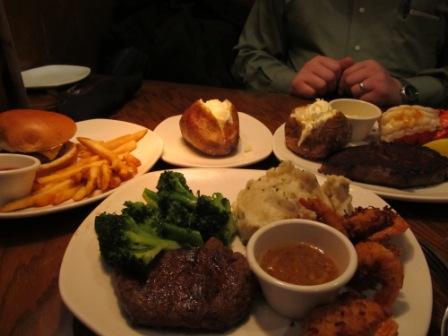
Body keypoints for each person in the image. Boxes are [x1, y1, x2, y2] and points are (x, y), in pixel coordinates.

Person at [232, 1, 448, 107]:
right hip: (297, 123)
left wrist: (404, 90)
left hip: (411, 130)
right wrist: (290, 81)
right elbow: (248, 55)